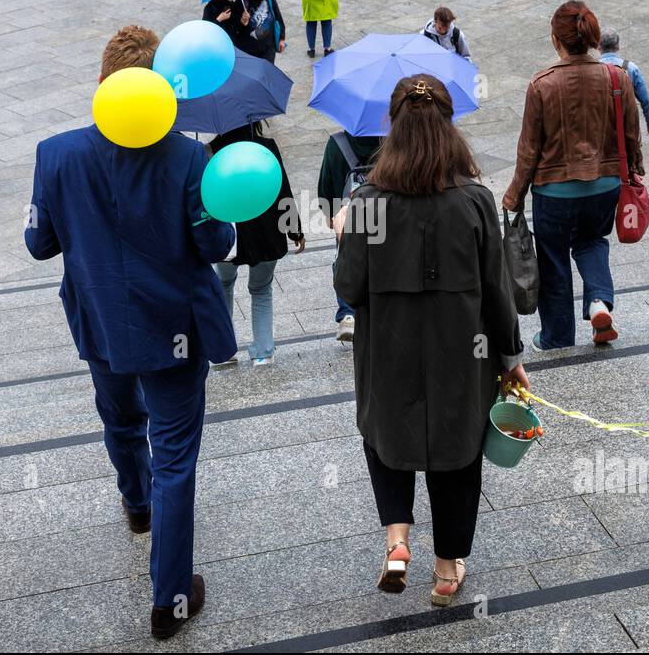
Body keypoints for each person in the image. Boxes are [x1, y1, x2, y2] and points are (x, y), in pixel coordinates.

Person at [24, 23, 236, 640]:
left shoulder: (55, 154)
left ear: (100, 84)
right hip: (174, 333)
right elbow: (214, 242)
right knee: (176, 459)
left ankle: (135, 504)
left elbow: (39, 243)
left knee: (118, 419)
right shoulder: (190, 157)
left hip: (100, 324)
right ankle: (170, 594)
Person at [334, 74, 527, 607]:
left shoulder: (368, 202)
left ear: (391, 126)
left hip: (386, 354)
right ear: (449, 128)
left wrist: (346, 232)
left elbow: (349, 289)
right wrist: (510, 357)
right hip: (461, 354)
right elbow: (497, 289)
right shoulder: (474, 200)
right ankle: (446, 571)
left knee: (385, 438)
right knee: (458, 452)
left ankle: (397, 544)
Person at [503, 0, 644, 350]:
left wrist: (514, 196)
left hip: (555, 192)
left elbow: (529, 150)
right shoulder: (617, 78)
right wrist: (636, 171)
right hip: (606, 185)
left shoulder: (542, 84)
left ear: (556, 40)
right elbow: (631, 134)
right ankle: (598, 301)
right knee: (593, 241)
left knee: (553, 260)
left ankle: (557, 337)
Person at [208, 122, 304, 366]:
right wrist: (295, 231)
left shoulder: (210, 153)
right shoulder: (266, 148)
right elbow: (284, 191)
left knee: (223, 285)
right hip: (266, 235)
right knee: (261, 290)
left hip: (227, 236)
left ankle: (224, 349)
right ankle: (263, 352)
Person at [317, 129, 381, 342]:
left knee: (346, 257)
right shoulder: (396, 137)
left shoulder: (338, 143)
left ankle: (348, 314)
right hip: (389, 210)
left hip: (348, 213)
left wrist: (330, 212)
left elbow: (327, 182)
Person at [206, 0, 286, 62]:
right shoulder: (242, 3)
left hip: (268, 48)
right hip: (249, 49)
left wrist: (281, 39)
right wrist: (242, 22)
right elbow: (234, 27)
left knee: (269, 71)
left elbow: (278, 19)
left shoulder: (270, 0)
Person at [599, 28, 649, 133]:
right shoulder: (630, 68)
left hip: (601, 127)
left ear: (599, 47)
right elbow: (646, 101)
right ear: (617, 46)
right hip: (627, 126)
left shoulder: (594, 69)